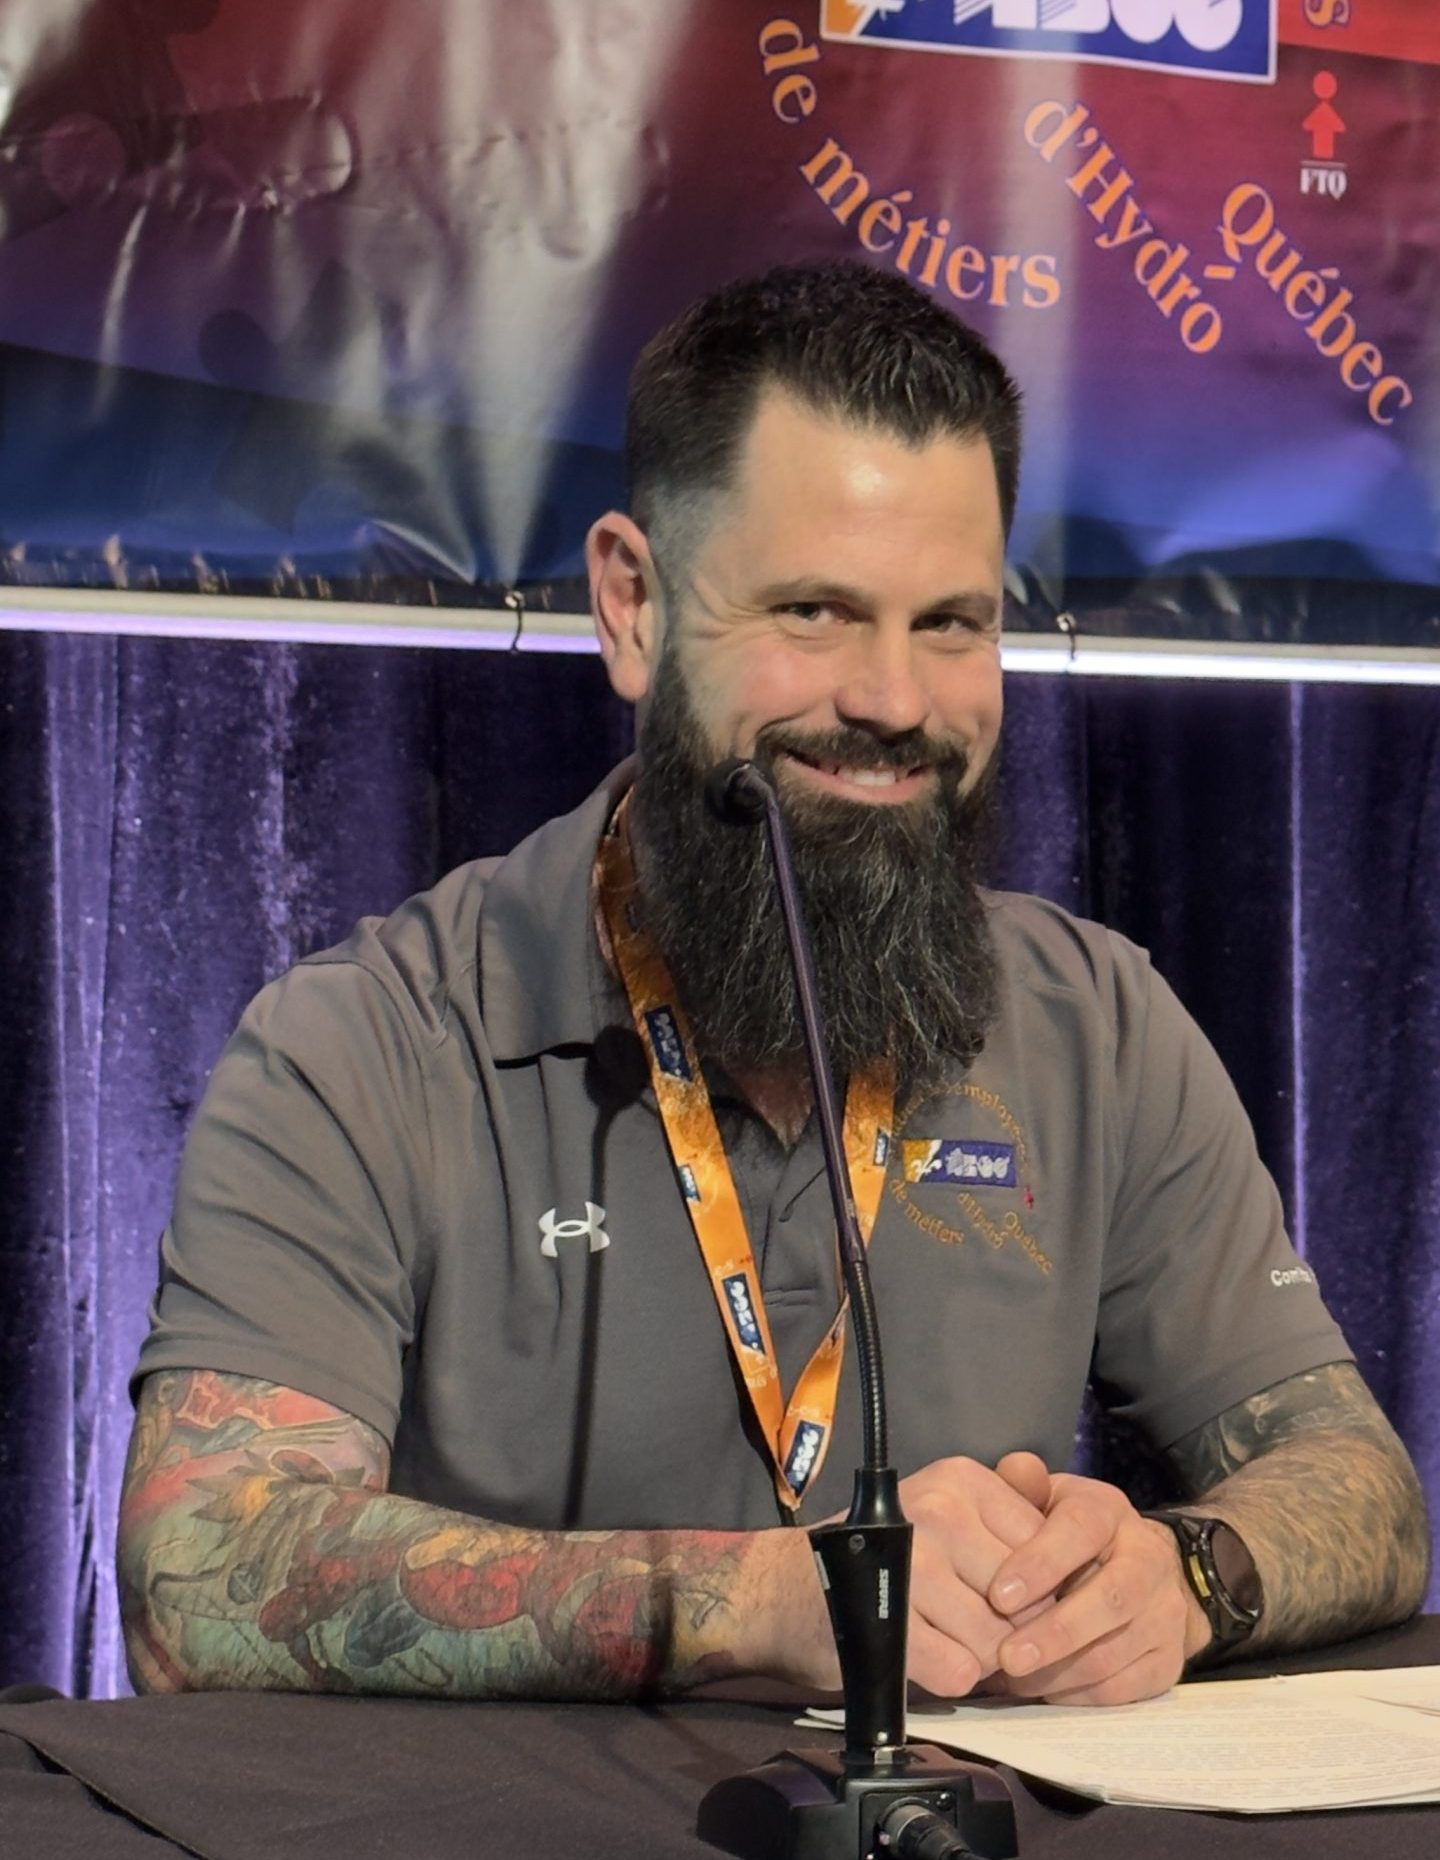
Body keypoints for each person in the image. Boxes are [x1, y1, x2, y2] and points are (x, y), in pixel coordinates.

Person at [117, 262, 1429, 1708]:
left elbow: (1357, 1480)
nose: (895, 701)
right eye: (814, 611)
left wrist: (1185, 1577)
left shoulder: (1099, 1027)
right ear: (634, 608)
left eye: (952, 622)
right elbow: (199, 1574)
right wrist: (752, 1596)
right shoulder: (362, 1044)